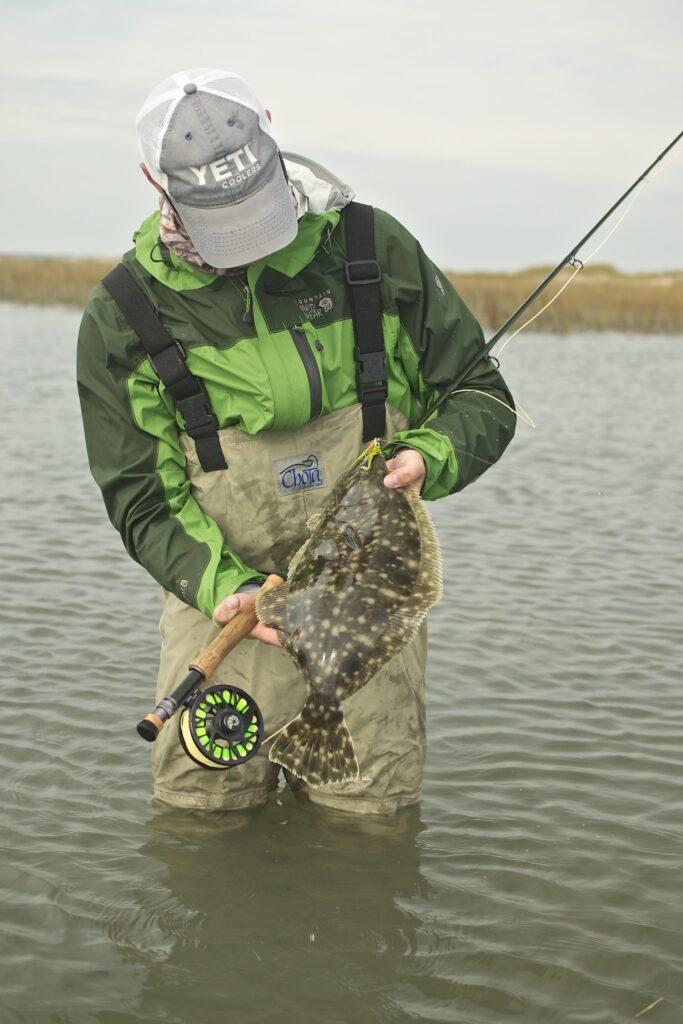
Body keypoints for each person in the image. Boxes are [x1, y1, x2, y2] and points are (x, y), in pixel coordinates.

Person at [77, 68, 516, 816]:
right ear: (153, 179)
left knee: (367, 831)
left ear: (272, 132)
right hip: (224, 607)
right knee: (200, 826)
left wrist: (429, 455)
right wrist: (227, 591)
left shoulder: (370, 248)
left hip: (365, 607)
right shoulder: (124, 314)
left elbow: (480, 398)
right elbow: (144, 503)